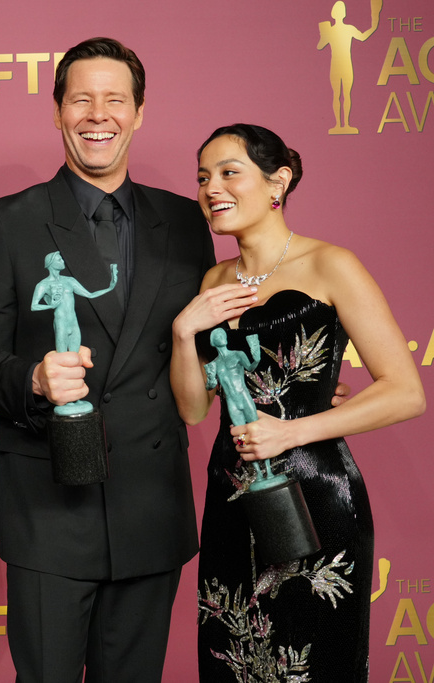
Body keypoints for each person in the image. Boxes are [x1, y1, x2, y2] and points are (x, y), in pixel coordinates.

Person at [0, 37, 216, 682]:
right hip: (49, 507)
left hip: (152, 506)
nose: (98, 115)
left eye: (114, 100)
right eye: (81, 100)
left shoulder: (186, 221)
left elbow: (214, 343)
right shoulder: (8, 222)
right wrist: (34, 378)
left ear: (139, 112)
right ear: (57, 112)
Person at [171, 123, 425, 681]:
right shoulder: (214, 279)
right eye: (203, 177)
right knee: (235, 658)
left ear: (277, 182)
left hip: (316, 494)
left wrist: (292, 431)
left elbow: (406, 392)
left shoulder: (331, 264)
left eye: (229, 172)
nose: (212, 188)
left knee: (313, 660)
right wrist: (183, 331)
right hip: (232, 498)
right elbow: (193, 410)